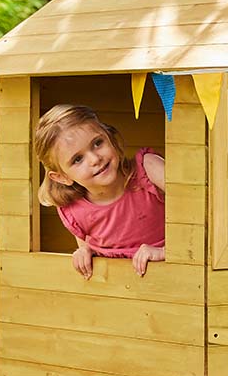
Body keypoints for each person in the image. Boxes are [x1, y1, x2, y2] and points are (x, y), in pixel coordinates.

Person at [34, 104, 166, 279]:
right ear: (61, 177)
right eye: (77, 159)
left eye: (97, 143)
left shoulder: (149, 169)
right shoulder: (74, 210)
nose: (95, 159)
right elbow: (88, 252)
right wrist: (84, 253)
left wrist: (166, 252)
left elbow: (199, 214)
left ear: (109, 136)